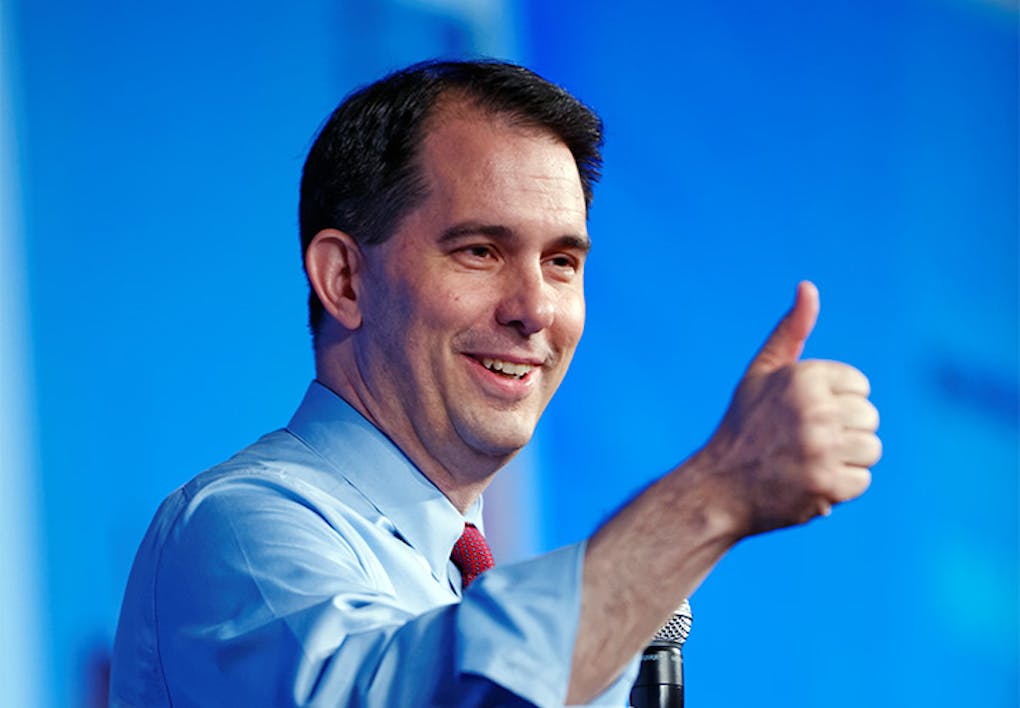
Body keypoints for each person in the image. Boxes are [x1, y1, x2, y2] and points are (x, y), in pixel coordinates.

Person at [110, 59, 881, 707]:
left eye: (562, 262)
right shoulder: (238, 527)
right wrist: (714, 495)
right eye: (480, 251)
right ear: (344, 279)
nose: (535, 309)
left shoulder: (460, 580)